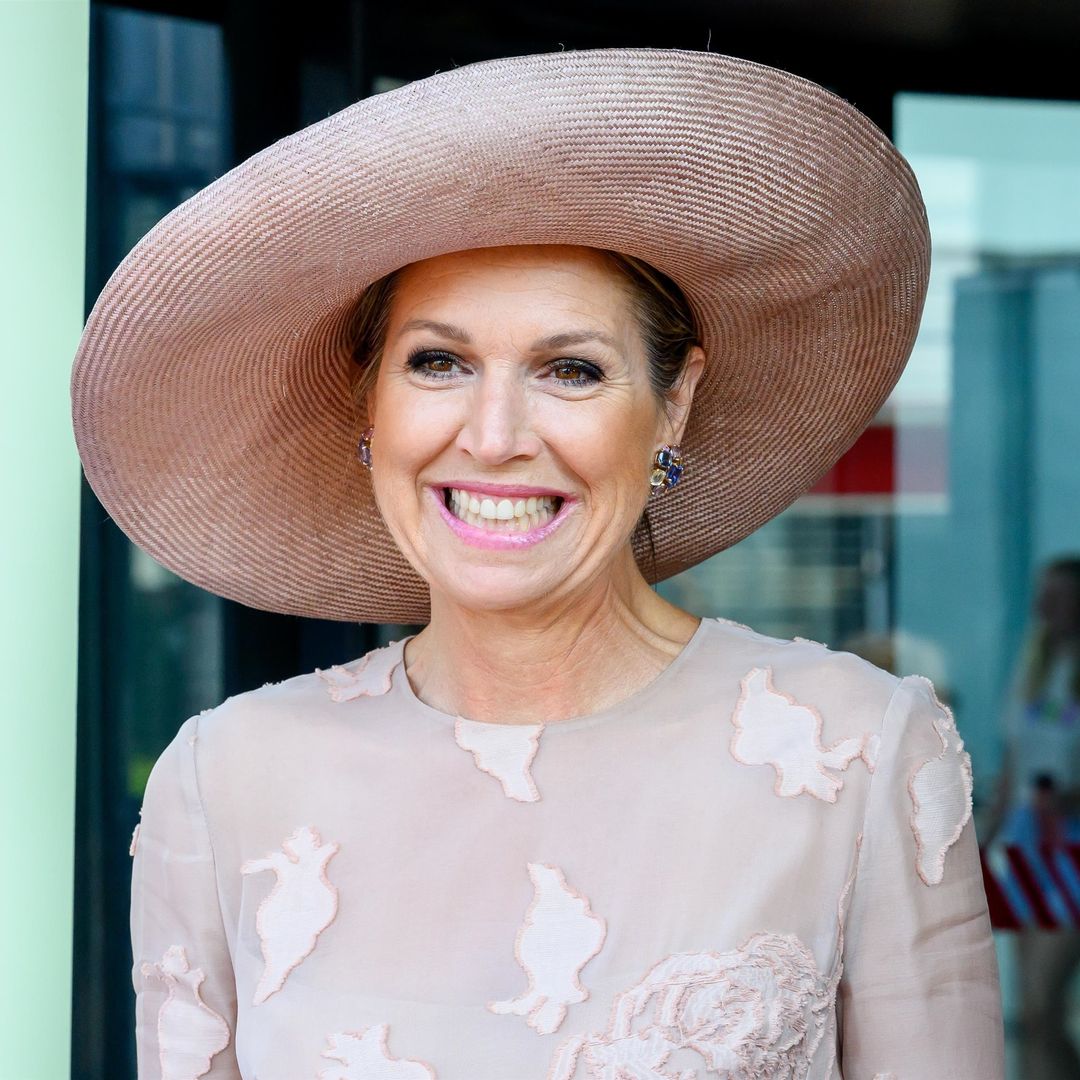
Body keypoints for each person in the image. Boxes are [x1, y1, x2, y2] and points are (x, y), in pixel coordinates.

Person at [71, 48, 1004, 1079]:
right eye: (438, 362)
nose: (495, 435)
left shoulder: (862, 754)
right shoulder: (225, 778)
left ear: (675, 404)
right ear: (369, 402)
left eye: (571, 370)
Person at [983, 556, 1080, 1078]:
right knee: (1028, 1010)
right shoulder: (1034, 670)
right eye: (1045, 596)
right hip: (1027, 842)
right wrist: (985, 840)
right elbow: (1012, 766)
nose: (1046, 607)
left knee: (1045, 1003)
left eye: (1059, 597)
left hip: (1072, 844)